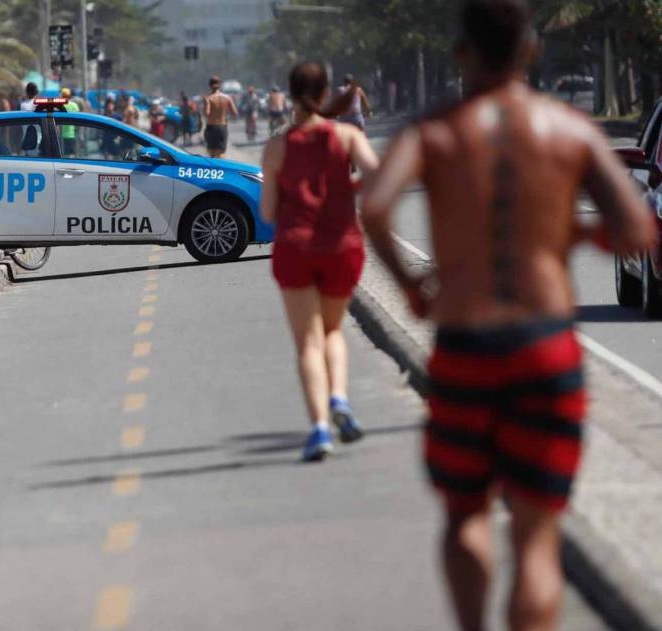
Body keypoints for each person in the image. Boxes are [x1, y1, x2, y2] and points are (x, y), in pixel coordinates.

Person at [359, 2, 657, 629]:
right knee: (537, 535)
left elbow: (377, 206)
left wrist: (412, 286)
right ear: (531, 51)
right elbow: (636, 229)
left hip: (466, 345)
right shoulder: (568, 129)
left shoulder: (434, 130)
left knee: (466, 515)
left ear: (460, 53)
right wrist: (567, 236)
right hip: (545, 347)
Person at [260, 62, 379, 463]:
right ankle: (339, 398)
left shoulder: (277, 147)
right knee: (332, 331)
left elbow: (269, 211)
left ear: (290, 95)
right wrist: (347, 188)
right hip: (342, 246)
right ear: (326, 93)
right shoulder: (346, 136)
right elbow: (379, 177)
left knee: (307, 342)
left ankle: (320, 429)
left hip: (295, 248)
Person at [203, 76, 238, 158]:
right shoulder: (227, 97)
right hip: (222, 126)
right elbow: (235, 113)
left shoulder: (208, 98)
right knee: (221, 152)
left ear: (210, 85)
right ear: (220, 84)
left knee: (212, 154)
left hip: (211, 127)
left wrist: (206, 103)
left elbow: (207, 114)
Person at [60, 88, 80, 156]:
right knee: (71, 154)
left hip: (60, 135)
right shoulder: (74, 105)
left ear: (62, 96)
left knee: (62, 155)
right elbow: (78, 119)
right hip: (72, 134)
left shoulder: (59, 105)